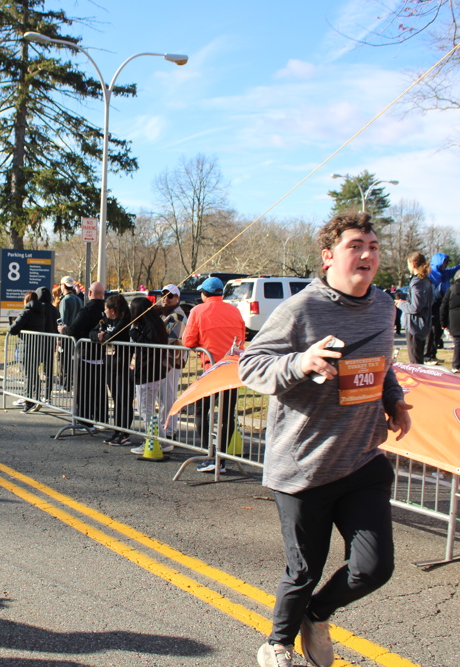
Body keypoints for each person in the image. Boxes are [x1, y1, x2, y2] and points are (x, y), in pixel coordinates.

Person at [239, 211, 411, 667]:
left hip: (362, 459)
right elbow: (250, 367)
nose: (367, 255)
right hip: (305, 465)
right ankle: (277, 643)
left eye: (373, 247)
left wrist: (393, 400)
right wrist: (301, 362)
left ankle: (316, 615)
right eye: (356, 246)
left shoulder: (383, 306)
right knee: (304, 570)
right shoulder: (301, 309)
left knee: (374, 568)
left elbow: (383, 364)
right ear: (329, 256)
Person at [183, 275, 245, 473]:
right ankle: (221, 459)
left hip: (212, 369)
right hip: (232, 368)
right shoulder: (234, 310)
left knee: (201, 411)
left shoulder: (198, 311)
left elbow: (188, 341)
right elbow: (242, 337)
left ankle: (208, 454)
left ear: (204, 293)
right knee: (227, 415)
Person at [128, 296, 174, 455]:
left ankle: (156, 440)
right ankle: (160, 440)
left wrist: (134, 333)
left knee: (145, 410)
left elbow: (149, 345)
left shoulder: (150, 327)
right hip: (151, 372)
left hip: (148, 373)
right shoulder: (154, 324)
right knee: (146, 409)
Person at [59, 281, 106, 429]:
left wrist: (63, 330)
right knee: (100, 389)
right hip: (103, 355)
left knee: (84, 390)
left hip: (87, 354)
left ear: (90, 293)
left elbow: (74, 330)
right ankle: (101, 419)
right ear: (103, 294)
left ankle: (84, 420)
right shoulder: (108, 310)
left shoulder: (87, 310)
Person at [91, 293, 134, 445]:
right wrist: (99, 336)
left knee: (124, 400)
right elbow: (92, 333)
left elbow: (113, 336)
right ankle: (116, 431)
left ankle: (124, 433)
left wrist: (104, 336)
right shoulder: (106, 320)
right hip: (110, 365)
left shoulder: (125, 321)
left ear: (113, 310)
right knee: (115, 400)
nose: (104, 311)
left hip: (123, 366)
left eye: (106, 309)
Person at [423, 251, 460, 364]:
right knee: (431, 332)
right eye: (444, 262)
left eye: (447, 263)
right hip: (431, 305)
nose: (446, 265)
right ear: (438, 262)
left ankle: (433, 354)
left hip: (442, 305)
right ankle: (426, 356)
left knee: (438, 331)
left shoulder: (446, 273)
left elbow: (459, 268)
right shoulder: (429, 274)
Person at [155, 284, 187, 440]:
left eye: (170, 296)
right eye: (163, 295)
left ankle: (169, 430)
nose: (166, 299)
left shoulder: (178, 317)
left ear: (177, 298)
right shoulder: (164, 314)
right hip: (163, 360)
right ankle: (164, 427)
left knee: (168, 396)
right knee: (162, 396)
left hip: (172, 361)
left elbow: (168, 339)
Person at [9, 291, 46, 413]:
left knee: (27, 375)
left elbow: (13, 329)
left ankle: (28, 401)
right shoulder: (41, 312)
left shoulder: (26, 312)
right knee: (34, 374)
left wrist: (14, 324)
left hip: (25, 347)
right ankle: (36, 398)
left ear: (27, 300)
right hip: (37, 347)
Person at [394, 252, 433, 365]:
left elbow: (415, 308)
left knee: (415, 363)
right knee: (418, 360)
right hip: (423, 324)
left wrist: (401, 305)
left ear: (413, 265)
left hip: (415, 326)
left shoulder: (417, 283)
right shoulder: (426, 280)